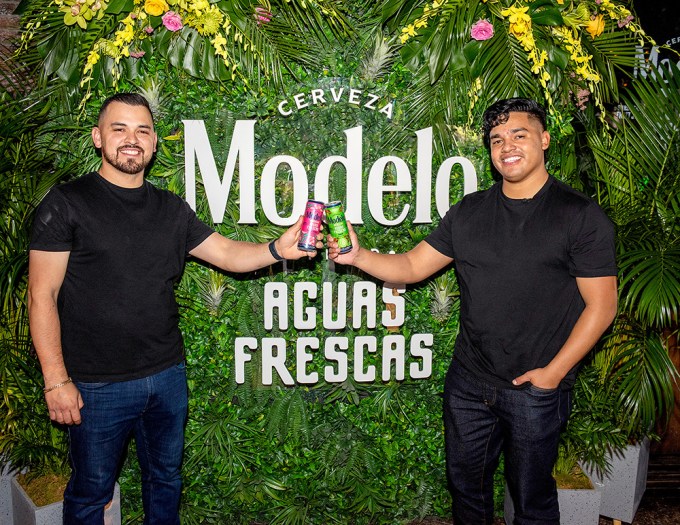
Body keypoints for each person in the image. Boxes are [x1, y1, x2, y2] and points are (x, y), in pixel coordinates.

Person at [27, 92, 320, 524]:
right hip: (96, 384)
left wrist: (278, 248)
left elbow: (228, 254)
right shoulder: (67, 203)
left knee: (165, 481)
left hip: (166, 375)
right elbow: (41, 295)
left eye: (142, 130)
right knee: (90, 494)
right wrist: (56, 381)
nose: (132, 139)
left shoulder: (170, 208)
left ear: (153, 143)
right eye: (119, 129)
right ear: (97, 138)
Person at [328, 98, 618, 524]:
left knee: (532, 504)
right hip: (468, 382)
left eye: (519, 135)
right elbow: (411, 266)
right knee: (466, 493)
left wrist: (552, 375)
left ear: (544, 140)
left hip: (535, 388)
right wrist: (358, 256)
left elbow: (602, 305)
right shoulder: (470, 211)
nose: (507, 146)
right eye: (497, 139)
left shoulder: (579, 215)